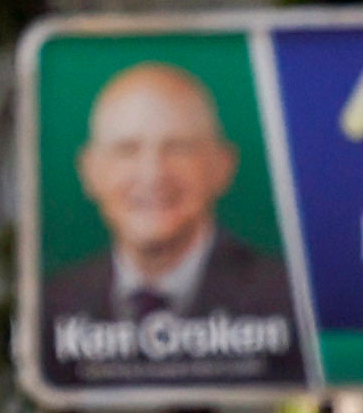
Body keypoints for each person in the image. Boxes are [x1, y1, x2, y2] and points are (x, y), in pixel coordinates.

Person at [34, 60, 308, 394]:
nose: (152, 174)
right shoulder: (49, 309)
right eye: (127, 150)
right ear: (90, 170)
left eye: (178, 148)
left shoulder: (291, 303)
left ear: (222, 165)